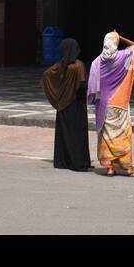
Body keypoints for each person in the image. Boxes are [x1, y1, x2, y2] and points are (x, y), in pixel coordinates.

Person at [87, 30, 134, 177]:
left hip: (103, 105)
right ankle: (128, 168)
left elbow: (92, 88)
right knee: (123, 134)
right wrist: (121, 37)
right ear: (116, 43)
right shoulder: (123, 57)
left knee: (106, 135)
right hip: (120, 103)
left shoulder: (96, 62)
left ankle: (109, 167)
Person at [40, 38, 91, 172]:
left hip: (63, 105)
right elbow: (82, 85)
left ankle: (63, 161)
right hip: (77, 106)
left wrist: (58, 92)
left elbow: (46, 75)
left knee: (64, 134)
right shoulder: (78, 65)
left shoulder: (60, 64)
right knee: (77, 135)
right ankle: (78, 162)